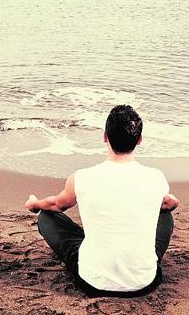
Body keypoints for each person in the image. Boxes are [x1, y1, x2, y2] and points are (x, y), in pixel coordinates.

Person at [25, 105, 179, 297]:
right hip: (145, 282)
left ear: (105, 137)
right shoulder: (156, 177)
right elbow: (171, 203)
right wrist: (167, 203)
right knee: (165, 216)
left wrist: (35, 204)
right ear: (139, 140)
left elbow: (57, 204)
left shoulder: (81, 177)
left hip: (93, 283)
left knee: (46, 217)